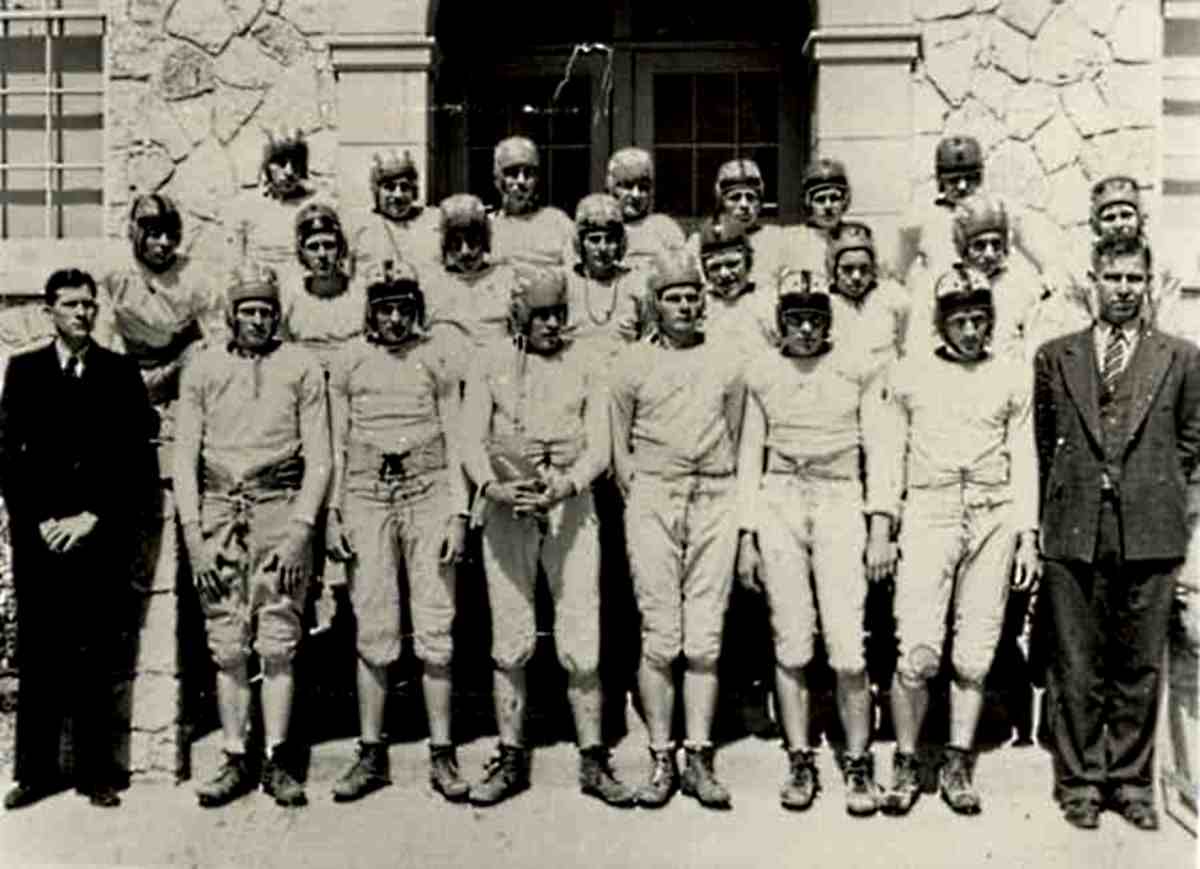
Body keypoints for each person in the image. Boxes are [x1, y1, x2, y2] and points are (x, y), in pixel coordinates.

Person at [1033, 235, 1200, 831]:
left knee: (1137, 665)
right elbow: (1045, 445)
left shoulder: (1180, 357)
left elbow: (1189, 444)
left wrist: (1155, 492)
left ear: (1148, 284)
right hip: (1075, 530)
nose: (1124, 290)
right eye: (1114, 278)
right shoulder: (1057, 357)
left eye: (1134, 279)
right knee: (1077, 662)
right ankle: (1079, 782)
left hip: (1151, 531)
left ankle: (1129, 783)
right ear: (1093, 281)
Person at [461, 268, 632, 808]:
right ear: (521, 317)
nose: (552, 325)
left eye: (559, 314)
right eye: (541, 316)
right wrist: (494, 486)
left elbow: (601, 447)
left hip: (570, 506)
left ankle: (593, 758)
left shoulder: (587, 364)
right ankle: (511, 755)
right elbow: (470, 437)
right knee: (510, 635)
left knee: (581, 634)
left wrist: (568, 483)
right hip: (510, 505)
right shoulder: (491, 362)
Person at [877, 264, 1040, 817]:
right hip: (930, 511)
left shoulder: (1013, 375)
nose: (970, 331)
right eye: (960, 320)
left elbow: (1024, 461)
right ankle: (905, 760)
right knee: (918, 652)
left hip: (992, 515)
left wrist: (1026, 536)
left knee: (974, 654)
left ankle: (957, 761)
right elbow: (887, 458)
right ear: (941, 324)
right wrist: (883, 526)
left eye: (978, 319)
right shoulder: (909, 375)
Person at [735, 273, 897, 815]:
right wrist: (748, 536)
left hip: (838, 496)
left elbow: (880, 448)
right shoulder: (761, 374)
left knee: (847, 641)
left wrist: (880, 525)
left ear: (829, 323)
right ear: (780, 324)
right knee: (792, 638)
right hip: (780, 495)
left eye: (815, 320)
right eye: (795, 320)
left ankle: (857, 760)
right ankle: (800, 756)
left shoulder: (856, 370)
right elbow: (749, 459)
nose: (805, 330)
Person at [175, 261, 331, 809]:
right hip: (220, 511)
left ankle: (279, 758)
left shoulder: (301, 367)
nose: (258, 321)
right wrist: (194, 536)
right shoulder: (202, 367)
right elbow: (184, 455)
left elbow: (320, 458)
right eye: (249, 311)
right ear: (232, 315)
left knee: (278, 639)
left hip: (279, 509)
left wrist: (300, 532)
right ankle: (235, 756)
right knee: (227, 641)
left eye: (267, 311)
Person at [0, 268, 156, 809]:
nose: (82, 313)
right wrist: (42, 520)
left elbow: (138, 461)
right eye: (70, 304)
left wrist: (94, 516)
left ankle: (97, 775)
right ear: (50, 311)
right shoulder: (23, 373)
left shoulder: (119, 374)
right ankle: (35, 773)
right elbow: (9, 460)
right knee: (40, 655)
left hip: (98, 538)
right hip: (41, 542)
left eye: (89, 304)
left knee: (95, 658)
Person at [325, 260, 471, 803]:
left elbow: (456, 437)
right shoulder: (349, 361)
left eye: (402, 308)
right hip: (365, 491)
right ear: (370, 312)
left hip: (428, 487)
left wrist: (459, 513)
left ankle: (442, 749)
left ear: (417, 310)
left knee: (435, 623)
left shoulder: (436, 358)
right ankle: (370, 751)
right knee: (374, 622)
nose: (393, 319)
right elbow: (337, 442)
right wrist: (335, 514)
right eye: (384, 308)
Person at [611, 249, 746, 810]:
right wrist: (645, 493)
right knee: (661, 634)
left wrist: (717, 489)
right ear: (655, 305)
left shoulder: (727, 361)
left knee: (705, 637)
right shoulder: (631, 364)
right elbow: (620, 448)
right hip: (654, 497)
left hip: (713, 494)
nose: (686, 306)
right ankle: (661, 754)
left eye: (693, 296)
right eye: (674, 298)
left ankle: (698, 754)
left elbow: (735, 434)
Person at [895, 135, 1059, 299]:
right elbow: (897, 277)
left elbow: (1045, 259)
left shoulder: (1001, 211)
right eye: (953, 180)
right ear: (940, 181)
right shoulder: (919, 219)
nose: (962, 186)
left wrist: (1049, 280)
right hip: (946, 309)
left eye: (971, 178)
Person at [907, 194, 1040, 361]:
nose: (989, 254)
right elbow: (918, 345)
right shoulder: (938, 285)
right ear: (963, 247)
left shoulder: (1021, 285)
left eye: (996, 244)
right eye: (979, 245)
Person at [423, 193, 519, 348]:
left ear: (485, 240)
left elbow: (520, 338)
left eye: (473, 240)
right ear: (445, 245)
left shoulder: (507, 280)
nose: (465, 252)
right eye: (456, 243)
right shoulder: (431, 285)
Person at [280, 201, 365, 369]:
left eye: (329, 245)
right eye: (313, 247)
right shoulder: (289, 297)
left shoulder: (361, 294)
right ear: (302, 253)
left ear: (341, 248)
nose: (322, 255)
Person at [563, 193, 648, 358]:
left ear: (620, 244)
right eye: (594, 240)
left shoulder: (636, 283)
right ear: (580, 243)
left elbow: (650, 341)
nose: (602, 248)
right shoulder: (564, 284)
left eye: (610, 240)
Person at [224, 128, 321, 268]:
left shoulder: (318, 205)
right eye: (281, 162)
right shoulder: (244, 206)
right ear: (267, 167)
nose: (289, 171)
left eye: (295, 161)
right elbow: (234, 266)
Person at [689, 158, 789, 292]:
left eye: (750, 197)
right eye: (735, 198)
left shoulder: (777, 239)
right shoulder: (698, 242)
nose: (744, 205)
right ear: (721, 202)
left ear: (759, 204)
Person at [351, 150, 442, 280]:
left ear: (414, 191)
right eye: (390, 187)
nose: (398, 195)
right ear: (377, 192)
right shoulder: (358, 228)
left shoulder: (434, 223)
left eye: (404, 187)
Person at [823, 221, 909, 358]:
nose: (856, 277)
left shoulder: (894, 297)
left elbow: (904, 345)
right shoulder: (823, 303)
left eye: (864, 268)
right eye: (847, 269)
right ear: (833, 269)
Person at [489, 136, 575, 268]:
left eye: (528, 173)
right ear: (498, 179)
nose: (521, 181)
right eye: (512, 173)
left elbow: (575, 273)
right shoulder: (487, 227)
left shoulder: (558, 222)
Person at [604, 147, 685, 268]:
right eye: (628, 186)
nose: (636, 195)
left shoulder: (664, 229)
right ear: (611, 188)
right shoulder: (598, 232)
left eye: (643, 188)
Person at [781, 157, 854, 277]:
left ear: (844, 201)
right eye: (820, 199)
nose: (828, 206)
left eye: (834, 198)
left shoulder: (856, 238)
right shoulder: (794, 241)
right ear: (808, 202)